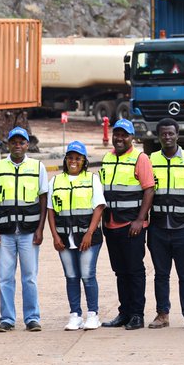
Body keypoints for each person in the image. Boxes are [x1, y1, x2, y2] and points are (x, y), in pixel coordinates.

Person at [0, 126, 46, 333]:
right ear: (8, 145)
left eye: (21, 142)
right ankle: (7, 319)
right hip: (5, 232)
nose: (18, 146)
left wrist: (40, 229)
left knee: (29, 276)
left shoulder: (38, 167)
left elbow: (43, 198)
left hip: (29, 231)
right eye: (14, 142)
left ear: (27, 145)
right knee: (5, 277)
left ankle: (32, 318)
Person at [147, 117, 184, 330]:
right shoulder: (150, 160)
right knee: (161, 274)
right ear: (158, 136)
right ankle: (162, 314)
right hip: (158, 228)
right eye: (163, 134)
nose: (167, 137)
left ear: (177, 135)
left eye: (171, 133)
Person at [100, 119, 155, 331]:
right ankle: (124, 313)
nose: (120, 138)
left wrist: (140, 220)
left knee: (134, 270)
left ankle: (137, 315)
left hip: (131, 226)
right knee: (120, 271)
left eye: (124, 135)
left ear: (132, 137)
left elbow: (149, 189)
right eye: (117, 134)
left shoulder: (140, 158)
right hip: (111, 224)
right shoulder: (107, 158)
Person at [47, 140, 105, 331]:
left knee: (88, 275)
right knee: (71, 276)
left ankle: (93, 315)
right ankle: (75, 315)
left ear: (84, 161)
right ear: (65, 160)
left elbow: (98, 208)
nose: (73, 161)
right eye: (70, 158)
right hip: (64, 238)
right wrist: (55, 236)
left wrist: (89, 233)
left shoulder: (92, 179)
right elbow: (51, 211)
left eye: (78, 158)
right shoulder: (55, 181)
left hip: (88, 238)